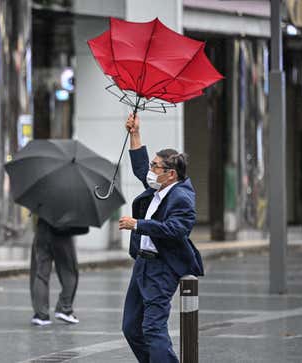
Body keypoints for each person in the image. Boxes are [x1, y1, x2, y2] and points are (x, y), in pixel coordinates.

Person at [118, 114, 204, 363]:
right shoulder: (160, 185)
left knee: (153, 328)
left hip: (162, 267)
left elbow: (176, 229)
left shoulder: (182, 198)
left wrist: (138, 225)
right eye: (154, 165)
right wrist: (135, 134)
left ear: (171, 174)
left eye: (156, 167)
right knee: (131, 327)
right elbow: (140, 168)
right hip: (143, 264)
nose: (151, 171)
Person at [30, 215, 88, 326]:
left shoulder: (43, 197)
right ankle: (64, 308)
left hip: (42, 229)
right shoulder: (72, 197)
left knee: (41, 274)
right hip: (63, 230)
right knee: (70, 271)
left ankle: (41, 315)